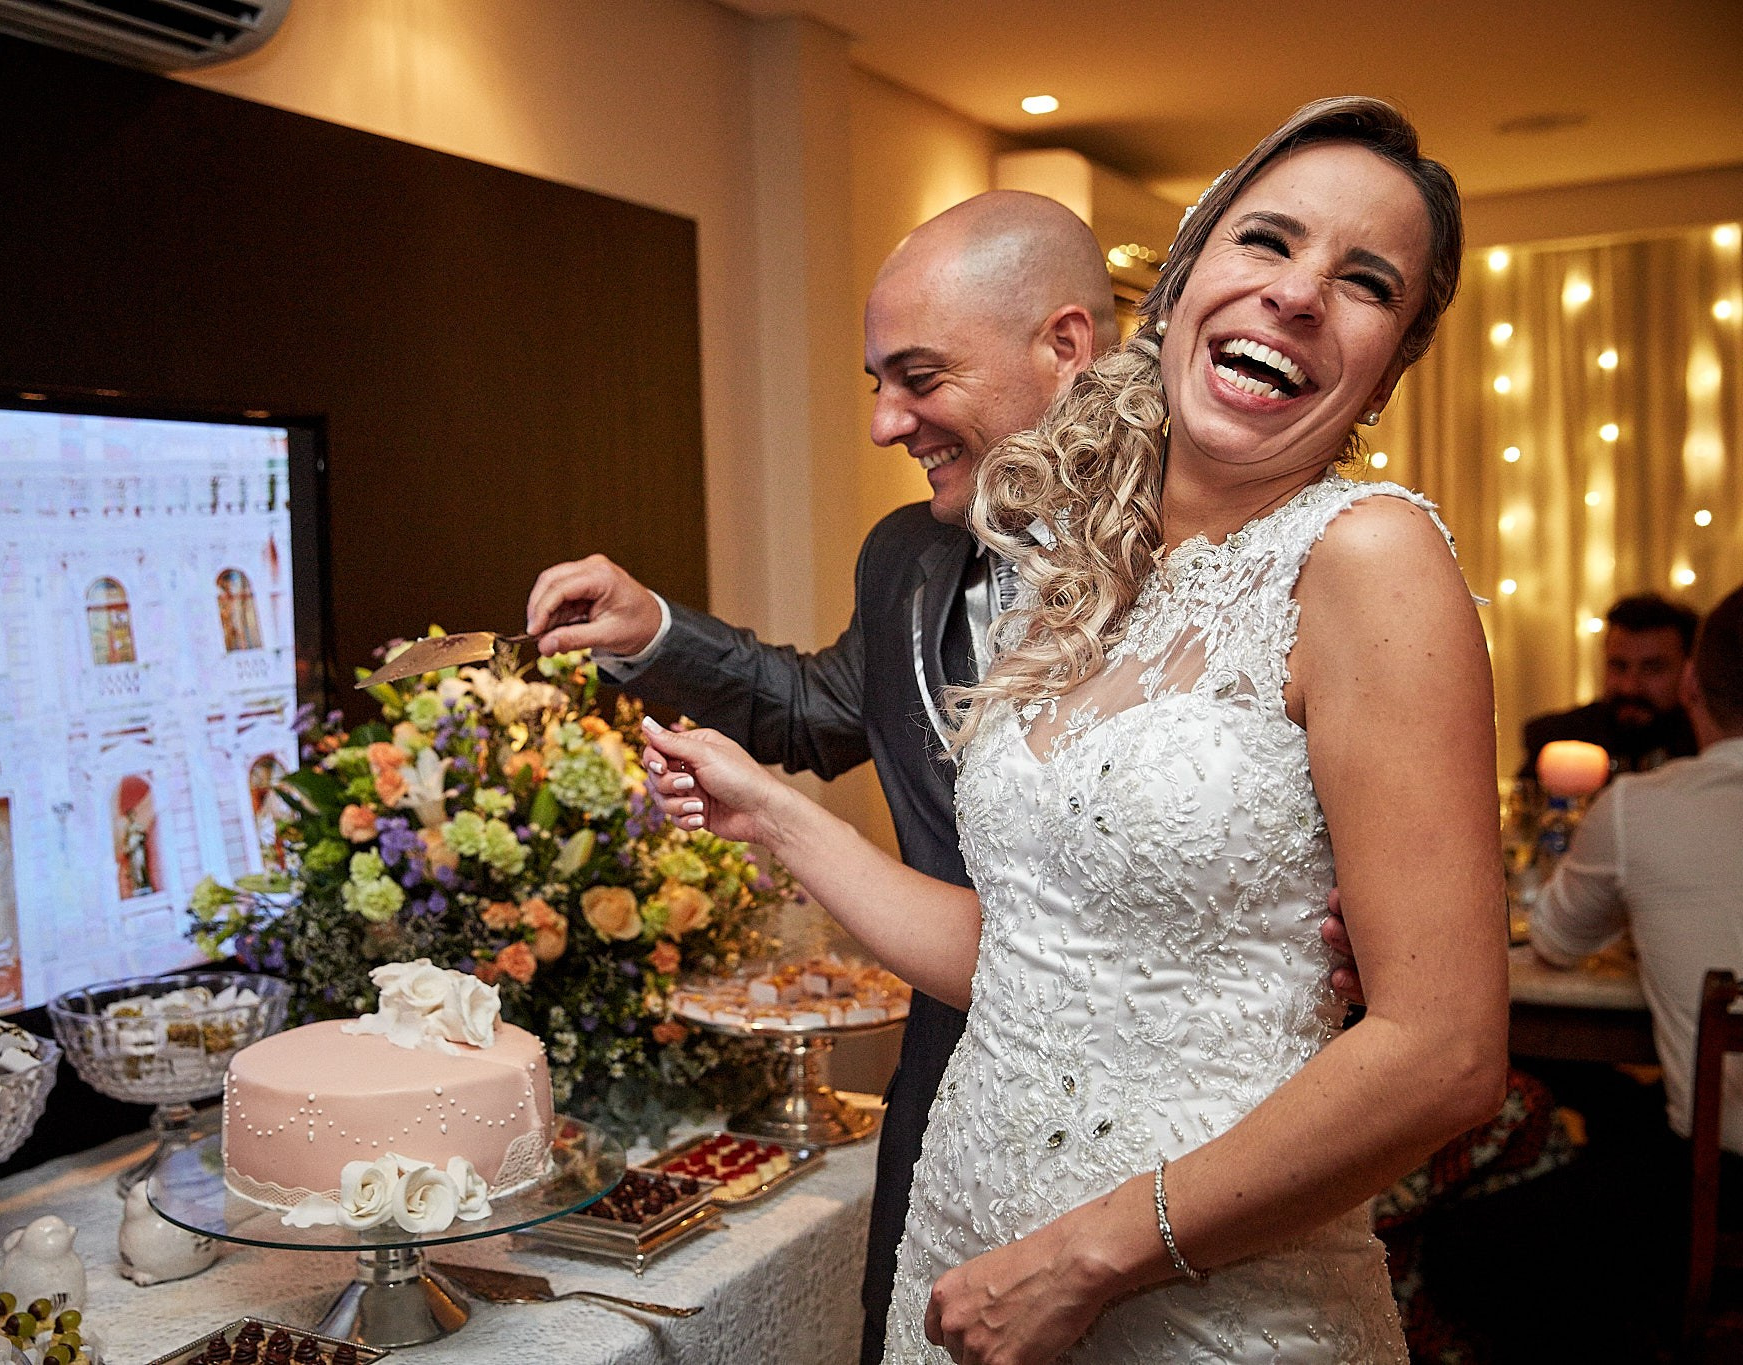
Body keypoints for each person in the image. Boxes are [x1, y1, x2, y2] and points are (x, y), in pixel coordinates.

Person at [636, 96, 1506, 1362]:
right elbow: (1031, 958)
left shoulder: (1365, 557)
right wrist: (766, 815)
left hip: (1186, 1294)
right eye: (1265, 241)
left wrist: (1082, 1259)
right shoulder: (1081, 570)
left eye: (1364, 281)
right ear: (1186, 273)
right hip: (964, 1236)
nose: (1299, 294)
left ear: (1390, 353)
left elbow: (1442, 1055)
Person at [527, 189, 1120, 1363]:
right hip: (945, 1093)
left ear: (1064, 348)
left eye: (918, 377)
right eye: (875, 385)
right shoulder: (904, 557)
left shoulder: (1210, 559)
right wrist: (655, 630)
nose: (885, 425)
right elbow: (817, 709)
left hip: (1143, 1127)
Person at [1532, 582, 1743, 1162]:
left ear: (1691, 681)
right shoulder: (1563, 737)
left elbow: (1553, 939)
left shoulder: (1637, 804)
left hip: (1716, 1171)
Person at [1520, 593, 1701, 778]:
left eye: (1652, 669)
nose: (1629, 687)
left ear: (1689, 672)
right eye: (1618, 666)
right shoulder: (1560, 738)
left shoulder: (1705, 747)